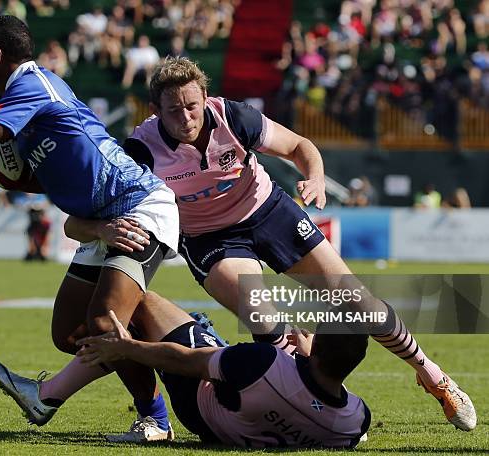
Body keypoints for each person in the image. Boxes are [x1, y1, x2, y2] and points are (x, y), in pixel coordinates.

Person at [82, 57, 473, 431]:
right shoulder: (140, 149)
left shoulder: (234, 117)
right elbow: (87, 213)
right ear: (154, 109)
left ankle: (433, 376)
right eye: (173, 111)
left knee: (357, 302)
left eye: (192, 106)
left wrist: (315, 177)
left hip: (269, 211)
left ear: (205, 98)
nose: (185, 118)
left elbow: (300, 146)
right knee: (262, 315)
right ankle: (316, 404)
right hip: (209, 238)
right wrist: (101, 228)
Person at [0, 15, 180, 442]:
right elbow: (47, 177)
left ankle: (156, 417)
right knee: (69, 333)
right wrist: (14, 179)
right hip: (103, 220)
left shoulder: (32, 86)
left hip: (139, 205)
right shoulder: (29, 105)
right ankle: (92, 375)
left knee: (102, 322)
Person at [75, 296, 372, 449]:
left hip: (200, 405)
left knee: (146, 303)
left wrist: (129, 348)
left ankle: (154, 418)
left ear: (317, 346)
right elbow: (316, 399)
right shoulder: (356, 419)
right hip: (240, 424)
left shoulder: (265, 361)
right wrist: (308, 356)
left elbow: (185, 361)